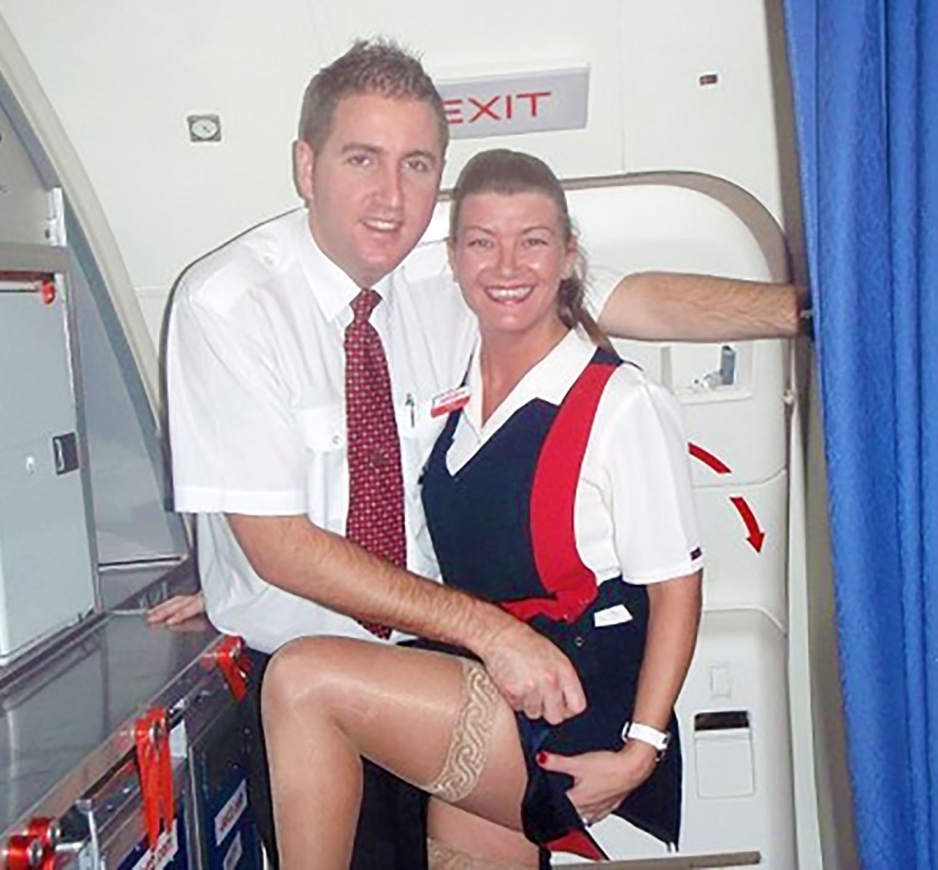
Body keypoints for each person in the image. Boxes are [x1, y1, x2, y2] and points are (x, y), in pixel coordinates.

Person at [154, 38, 802, 870]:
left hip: (450, 663)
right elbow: (279, 545)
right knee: (308, 689)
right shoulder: (230, 305)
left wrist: (816, 309)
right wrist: (238, 574)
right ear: (306, 166)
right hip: (334, 672)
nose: (392, 197)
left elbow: (635, 298)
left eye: (418, 165)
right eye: (362, 159)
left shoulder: (457, 266)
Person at [260, 147, 703, 870]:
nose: (507, 266)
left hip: (576, 701)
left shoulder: (622, 404)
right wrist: (239, 574)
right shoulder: (453, 386)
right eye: (481, 243)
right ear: (454, 261)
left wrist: (641, 750)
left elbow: (677, 588)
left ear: (568, 256)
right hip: (491, 676)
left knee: (303, 679)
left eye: (533, 241)